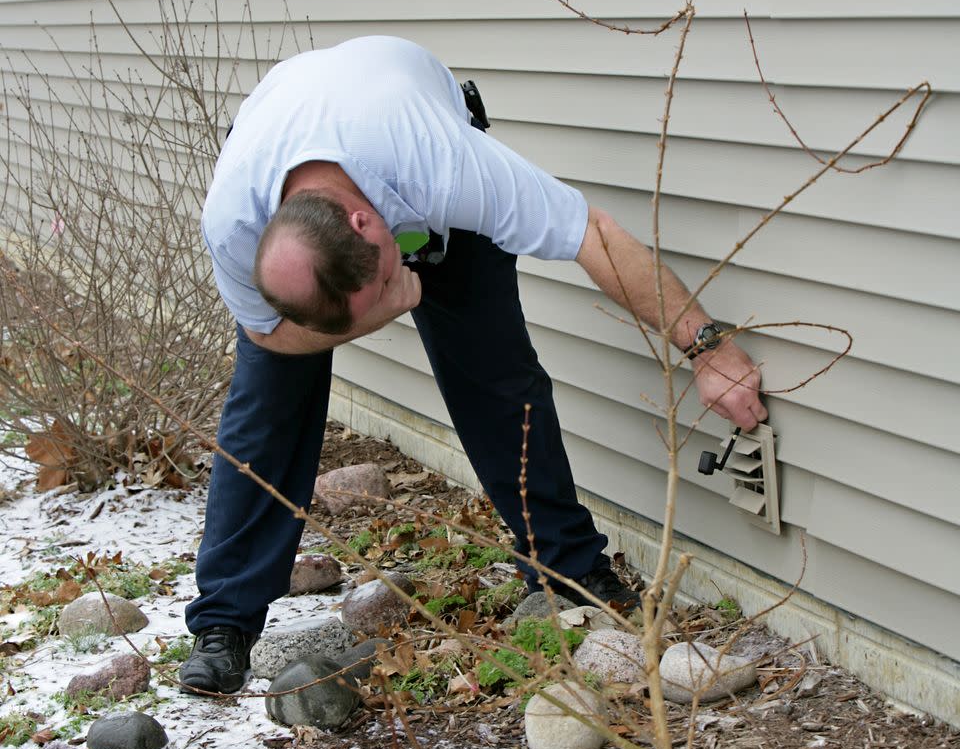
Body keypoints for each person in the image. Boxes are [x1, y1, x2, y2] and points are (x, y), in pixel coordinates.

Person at [179, 36, 765, 694]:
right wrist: (375, 310)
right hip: (301, 134)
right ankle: (223, 624)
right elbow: (271, 339)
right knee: (265, 411)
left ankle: (565, 570)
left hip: (400, 135)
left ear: (368, 222)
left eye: (375, 298)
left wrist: (710, 349)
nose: (378, 321)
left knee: (494, 375)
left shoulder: (444, 166)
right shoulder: (235, 225)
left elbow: (592, 236)